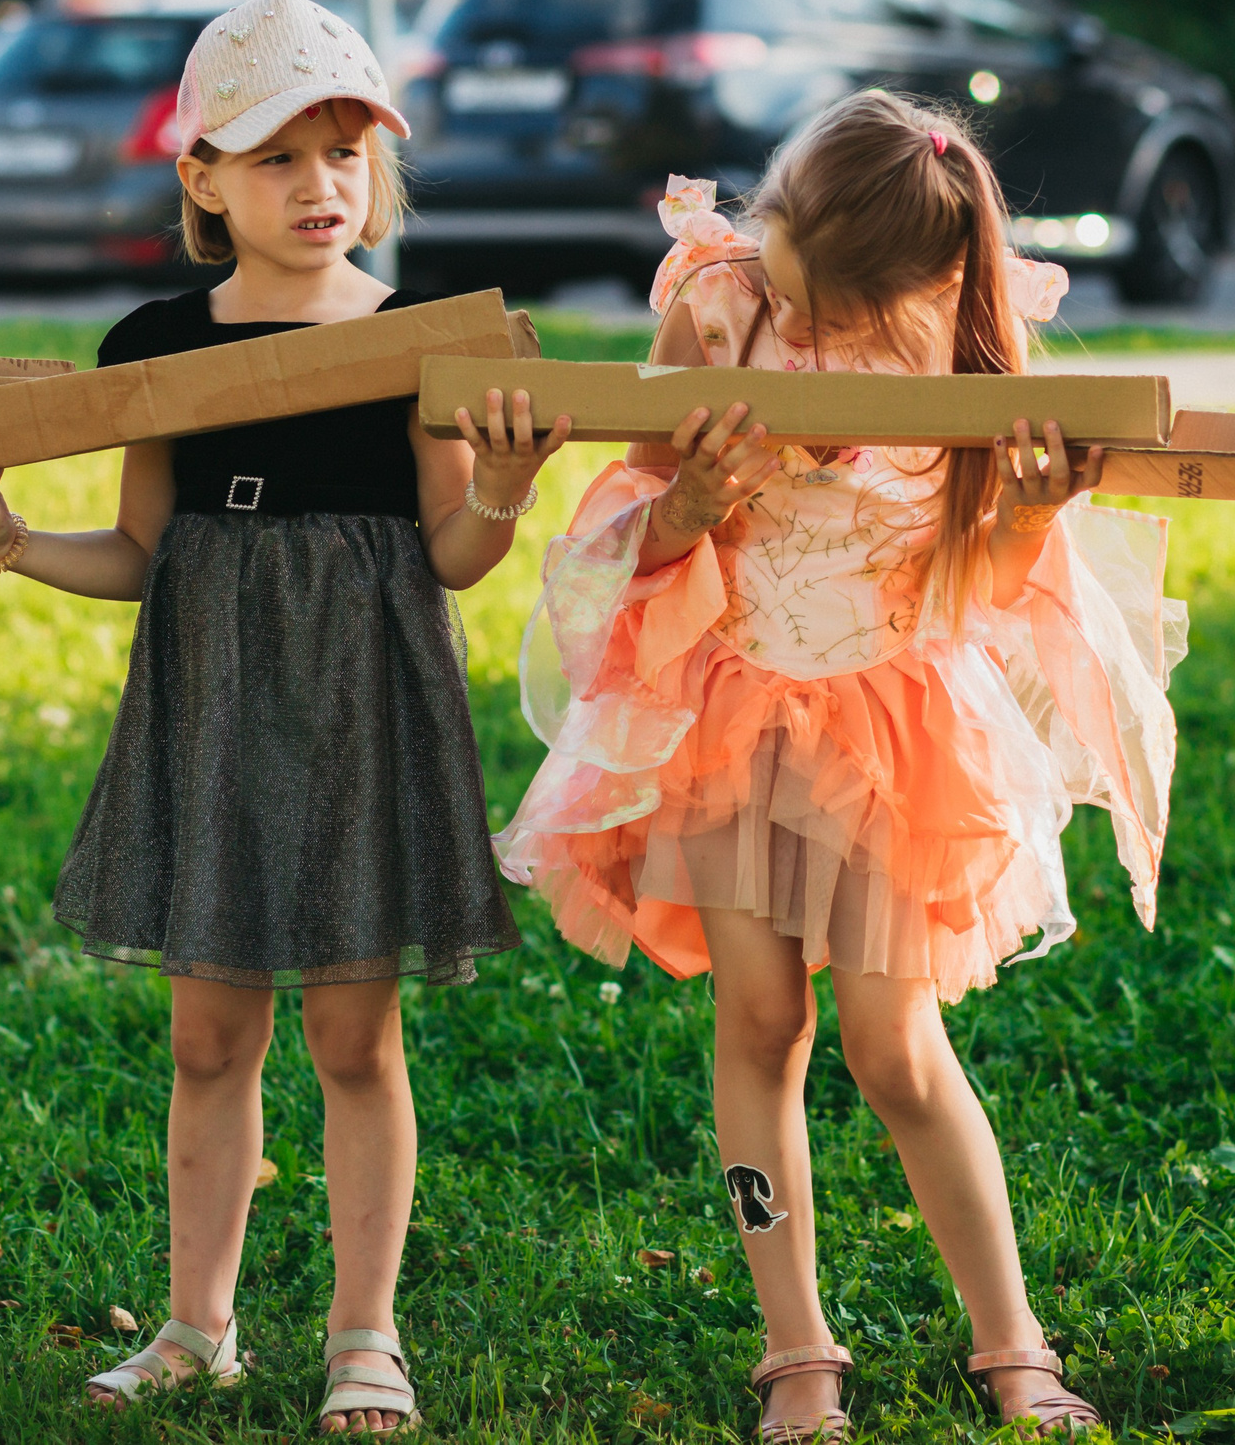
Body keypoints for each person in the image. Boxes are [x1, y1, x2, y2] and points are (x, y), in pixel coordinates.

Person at [0, 0, 566, 1434]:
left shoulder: (419, 343)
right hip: (210, 708)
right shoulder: (157, 343)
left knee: (355, 1037)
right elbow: (144, 555)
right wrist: (10, 540)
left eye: (347, 154)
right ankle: (197, 1325)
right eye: (280, 157)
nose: (321, 185)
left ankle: (363, 1333)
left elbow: (451, 552)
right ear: (203, 179)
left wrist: (510, 491)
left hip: (360, 706)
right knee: (209, 1039)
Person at [497, 92, 1184, 1439]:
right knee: (758, 1024)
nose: (774, 259)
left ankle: (1012, 1341)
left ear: (902, 287)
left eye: (808, 262)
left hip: (892, 725)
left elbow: (973, 580)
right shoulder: (716, 298)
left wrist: (1037, 508)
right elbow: (632, 504)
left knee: (894, 1046)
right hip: (733, 718)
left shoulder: (963, 353)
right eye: (776, 216)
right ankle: (796, 1346)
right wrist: (691, 504)